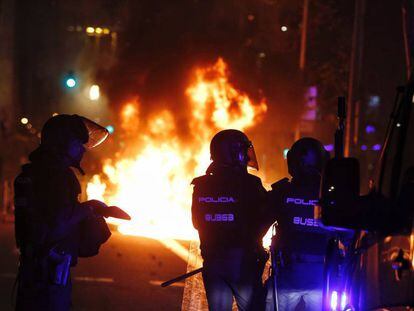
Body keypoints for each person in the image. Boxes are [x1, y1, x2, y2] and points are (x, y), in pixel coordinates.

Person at [14, 114, 111, 311]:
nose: (82, 149)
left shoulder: (40, 172)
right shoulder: (55, 177)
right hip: (47, 281)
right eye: (78, 143)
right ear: (63, 143)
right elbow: (57, 223)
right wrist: (89, 208)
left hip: (35, 276)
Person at [191, 129, 268, 311]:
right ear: (235, 153)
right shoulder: (251, 184)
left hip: (213, 263)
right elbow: (266, 215)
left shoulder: (201, 186)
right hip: (243, 266)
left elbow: (196, 222)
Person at [265, 137, 334, 311]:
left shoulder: (281, 192)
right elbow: (348, 234)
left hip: (288, 274)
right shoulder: (333, 197)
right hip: (323, 276)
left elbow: (257, 226)